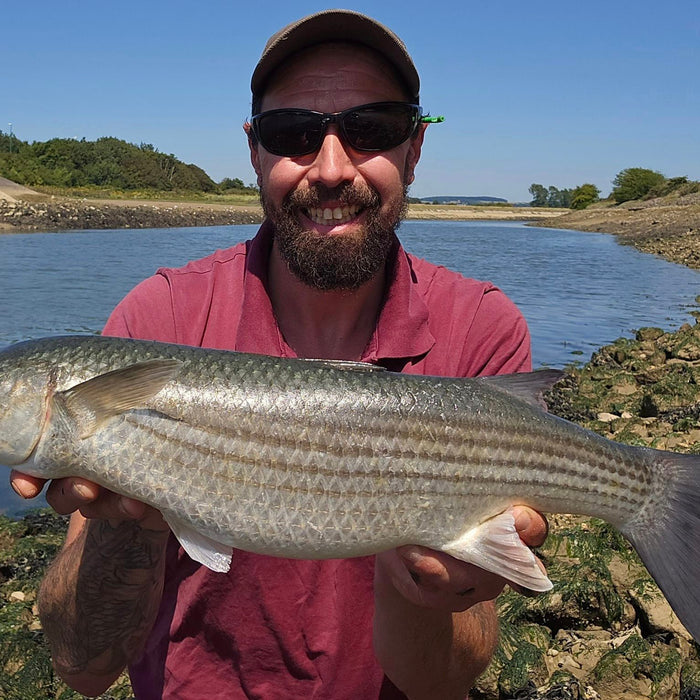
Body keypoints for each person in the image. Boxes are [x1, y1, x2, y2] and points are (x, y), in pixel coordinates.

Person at [11, 10, 548, 699]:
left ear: (415, 149)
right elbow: (84, 671)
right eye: (292, 133)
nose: (330, 169)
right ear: (254, 151)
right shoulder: (157, 316)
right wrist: (128, 523)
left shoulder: (481, 326)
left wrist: (424, 553)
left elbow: (439, 683)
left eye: (371, 129)